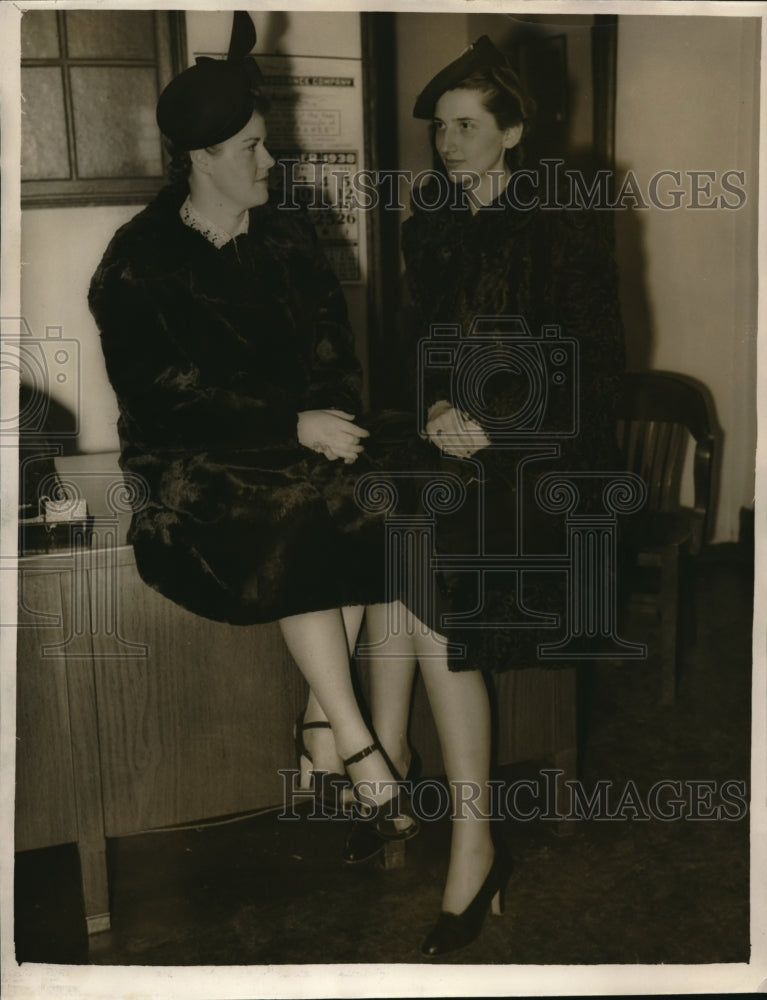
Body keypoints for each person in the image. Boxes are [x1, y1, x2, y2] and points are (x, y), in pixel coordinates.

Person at [87, 13, 417, 844]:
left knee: (395, 490)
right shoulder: (139, 261)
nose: (273, 162)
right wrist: (290, 424)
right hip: (189, 469)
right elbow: (165, 398)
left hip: (298, 440)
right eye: (252, 151)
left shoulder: (290, 236)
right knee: (302, 510)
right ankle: (358, 740)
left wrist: (326, 418)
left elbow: (336, 357)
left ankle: (319, 726)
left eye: (267, 145)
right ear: (201, 159)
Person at [344, 36, 627, 956]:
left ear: (512, 131)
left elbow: (595, 367)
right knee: (374, 516)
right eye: (439, 128)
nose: (447, 142)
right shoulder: (427, 216)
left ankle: (470, 838)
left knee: (425, 577)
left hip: (542, 463)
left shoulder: (563, 214)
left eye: (468, 126)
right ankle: (383, 761)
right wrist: (433, 403)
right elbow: (414, 341)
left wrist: (497, 427)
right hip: (448, 447)